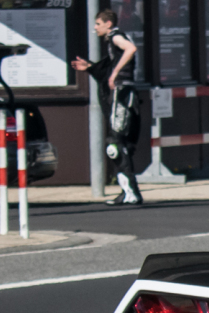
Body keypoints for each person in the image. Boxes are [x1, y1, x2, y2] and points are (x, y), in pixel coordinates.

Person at [70, 9, 143, 205]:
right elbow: (109, 65)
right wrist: (90, 68)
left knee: (115, 144)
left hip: (123, 93)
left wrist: (115, 74)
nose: (95, 28)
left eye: (98, 24)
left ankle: (131, 193)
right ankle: (128, 191)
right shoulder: (112, 40)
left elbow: (131, 49)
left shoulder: (116, 36)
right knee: (117, 144)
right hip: (122, 93)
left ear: (108, 24)